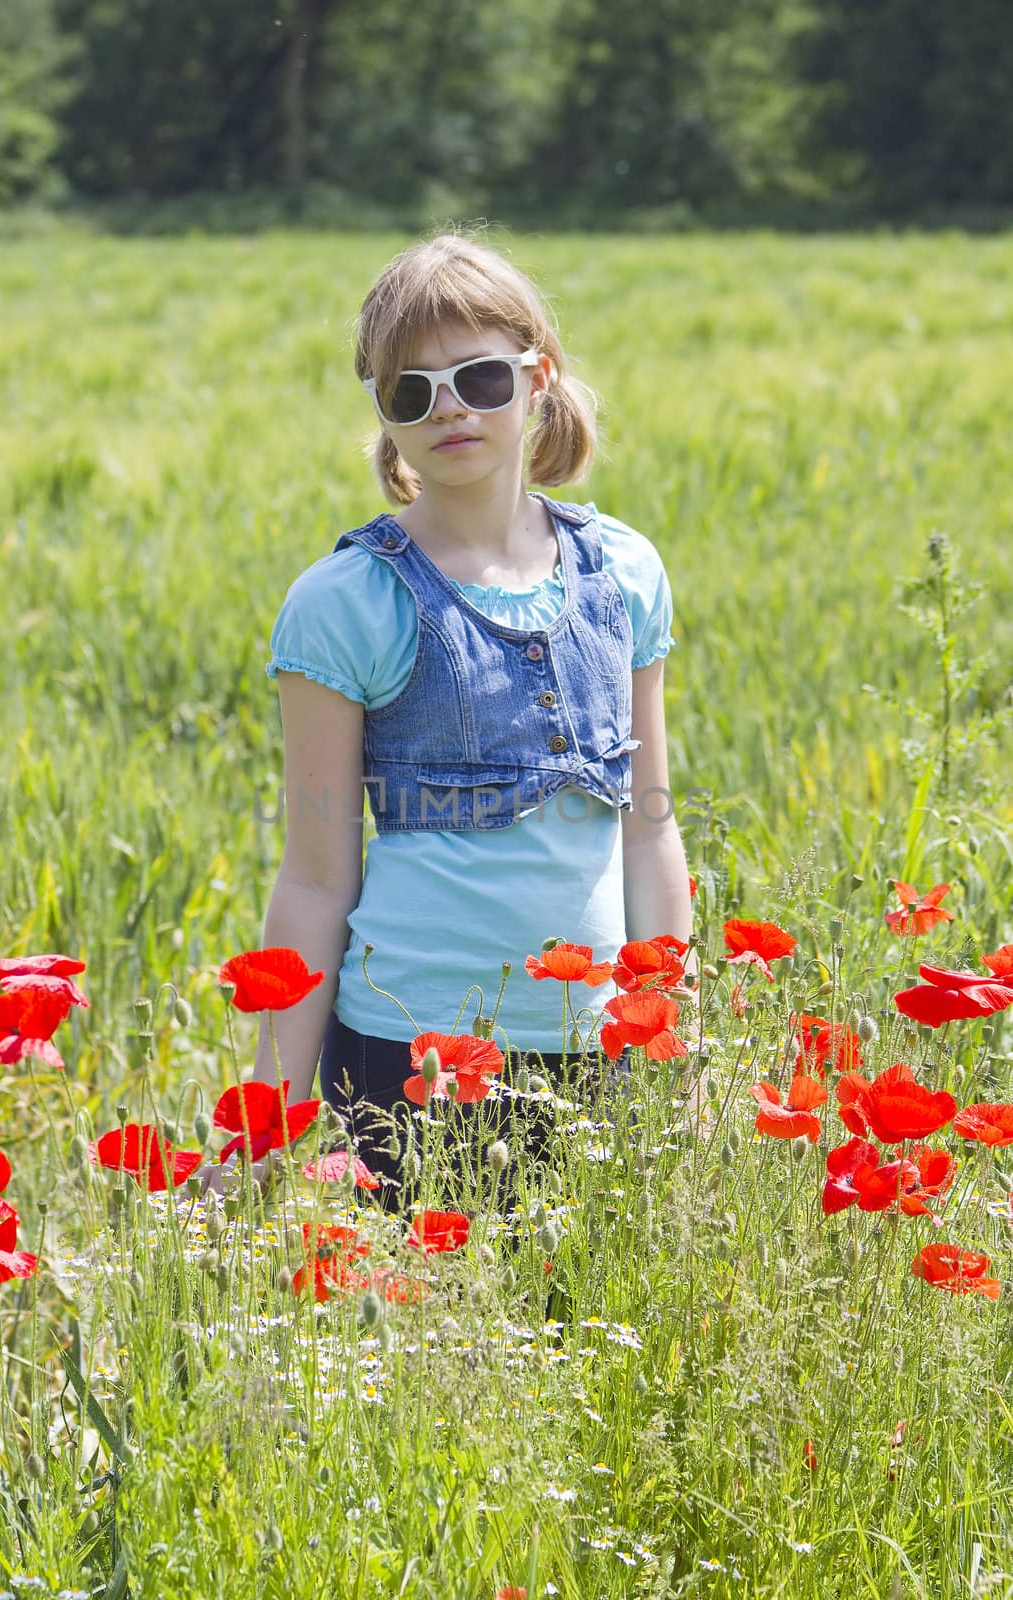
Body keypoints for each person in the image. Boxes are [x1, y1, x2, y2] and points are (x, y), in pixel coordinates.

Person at [249, 229, 693, 1205]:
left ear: (538, 379)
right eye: (411, 390)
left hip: (596, 1049)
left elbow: (647, 825)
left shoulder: (621, 572)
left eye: (479, 377)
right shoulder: (346, 602)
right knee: (419, 1344)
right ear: (383, 415)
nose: (448, 407)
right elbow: (317, 877)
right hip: (411, 1055)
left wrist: (672, 1027)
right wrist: (267, 1111)